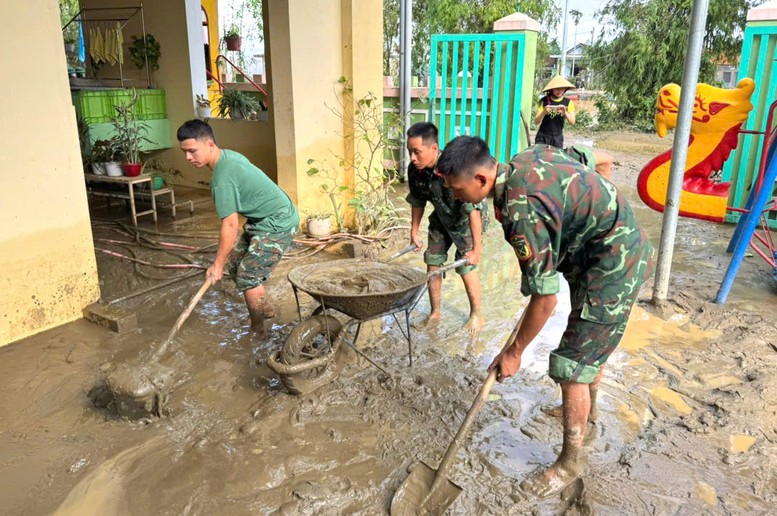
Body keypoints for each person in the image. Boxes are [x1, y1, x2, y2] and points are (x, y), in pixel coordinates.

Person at [437, 136, 654, 499]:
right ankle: (590, 413)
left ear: (479, 179)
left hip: (615, 267)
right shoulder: (528, 157)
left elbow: (545, 299)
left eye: (457, 190)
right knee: (588, 350)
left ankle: (570, 463)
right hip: (600, 254)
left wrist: (514, 352)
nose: (456, 198)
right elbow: (589, 155)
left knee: (571, 365)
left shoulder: (520, 212)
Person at [177, 120, 299, 336]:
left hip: (277, 221)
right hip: (260, 221)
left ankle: (258, 329)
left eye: (192, 151)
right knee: (235, 266)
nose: (188, 158)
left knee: (248, 276)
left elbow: (231, 225)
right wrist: (223, 263)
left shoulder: (222, 178)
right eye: (185, 152)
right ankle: (265, 309)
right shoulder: (226, 157)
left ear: (210, 145)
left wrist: (216, 265)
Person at [405, 122, 488, 334]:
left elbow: (473, 210)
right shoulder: (416, 171)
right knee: (432, 260)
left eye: (417, 152)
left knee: (465, 265)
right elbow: (417, 201)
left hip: (467, 218)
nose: (412, 158)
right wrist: (414, 232)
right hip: (441, 216)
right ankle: (435, 313)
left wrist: (476, 250)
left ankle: (477, 313)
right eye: (409, 152)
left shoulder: (452, 167)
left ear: (433, 149)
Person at [535, 75, 576, 149]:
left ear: (565, 89)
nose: (559, 91)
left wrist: (565, 112)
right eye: (556, 89)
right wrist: (544, 112)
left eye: (561, 89)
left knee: (555, 160)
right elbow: (536, 121)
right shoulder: (544, 101)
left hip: (557, 138)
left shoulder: (568, 102)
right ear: (552, 89)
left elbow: (572, 122)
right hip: (542, 136)